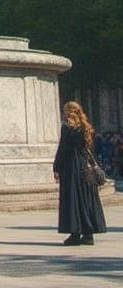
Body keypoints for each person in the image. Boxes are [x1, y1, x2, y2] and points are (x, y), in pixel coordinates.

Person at [53, 100, 107, 246]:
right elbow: (89, 149)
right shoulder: (85, 127)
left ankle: (75, 233)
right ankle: (89, 233)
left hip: (72, 166)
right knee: (87, 198)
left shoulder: (67, 128)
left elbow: (63, 149)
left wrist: (56, 168)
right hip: (85, 167)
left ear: (67, 112)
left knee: (73, 198)